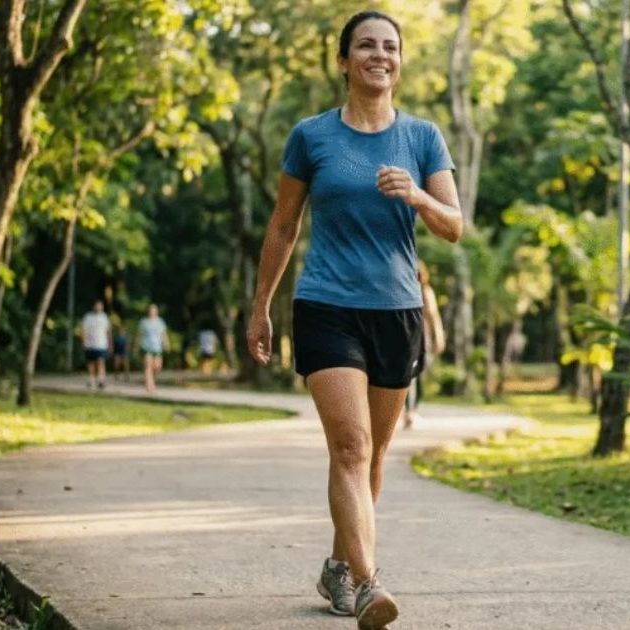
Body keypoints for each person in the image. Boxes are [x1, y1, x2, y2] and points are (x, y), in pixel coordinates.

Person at [245, 11, 462, 629]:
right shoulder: (310, 137)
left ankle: (340, 567)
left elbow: (454, 226)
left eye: (389, 46)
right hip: (326, 306)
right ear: (343, 61)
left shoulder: (422, 137)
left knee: (374, 456)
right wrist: (261, 305)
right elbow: (284, 225)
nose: (378, 55)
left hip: (396, 310)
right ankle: (368, 584)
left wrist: (418, 195)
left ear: (400, 61)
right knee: (350, 444)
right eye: (365, 45)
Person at [402, 261, 445, 429]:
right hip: (410, 339)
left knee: (414, 377)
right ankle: (410, 413)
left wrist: (438, 337)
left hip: (420, 339)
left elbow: (433, 317)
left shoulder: (425, 292)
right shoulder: (407, 291)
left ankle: (411, 412)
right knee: (412, 377)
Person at [80, 300, 112, 389]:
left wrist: (110, 344)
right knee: (91, 363)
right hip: (90, 344)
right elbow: (83, 330)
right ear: (94, 306)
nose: (98, 307)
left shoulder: (104, 317)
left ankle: (101, 380)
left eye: (100, 306)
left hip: (101, 344)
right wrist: (83, 341)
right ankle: (91, 379)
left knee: (101, 362)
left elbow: (108, 332)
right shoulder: (88, 317)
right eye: (97, 306)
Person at [137, 304, 169, 393]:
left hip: (157, 348)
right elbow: (139, 335)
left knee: (157, 367)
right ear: (148, 311)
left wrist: (166, 344)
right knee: (148, 366)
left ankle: (151, 380)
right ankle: (149, 386)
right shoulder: (144, 322)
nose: (152, 312)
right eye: (150, 310)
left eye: (154, 310)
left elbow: (163, 334)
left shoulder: (160, 322)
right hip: (146, 347)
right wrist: (136, 346)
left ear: (156, 312)